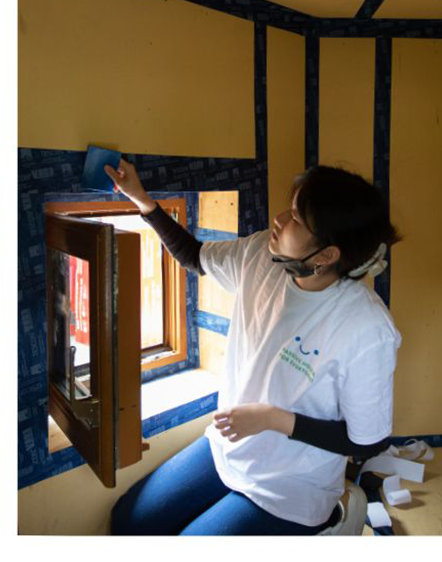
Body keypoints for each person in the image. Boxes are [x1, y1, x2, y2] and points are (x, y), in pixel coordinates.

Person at [105, 159, 399, 535]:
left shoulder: (366, 326)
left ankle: (334, 520)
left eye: (295, 218)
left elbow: (369, 441)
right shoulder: (263, 254)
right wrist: (141, 199)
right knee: (128, 521)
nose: (279, 219)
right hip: (231, 445)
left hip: (292, 486)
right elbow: (194, 255)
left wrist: (273, 419)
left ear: (327, 255)